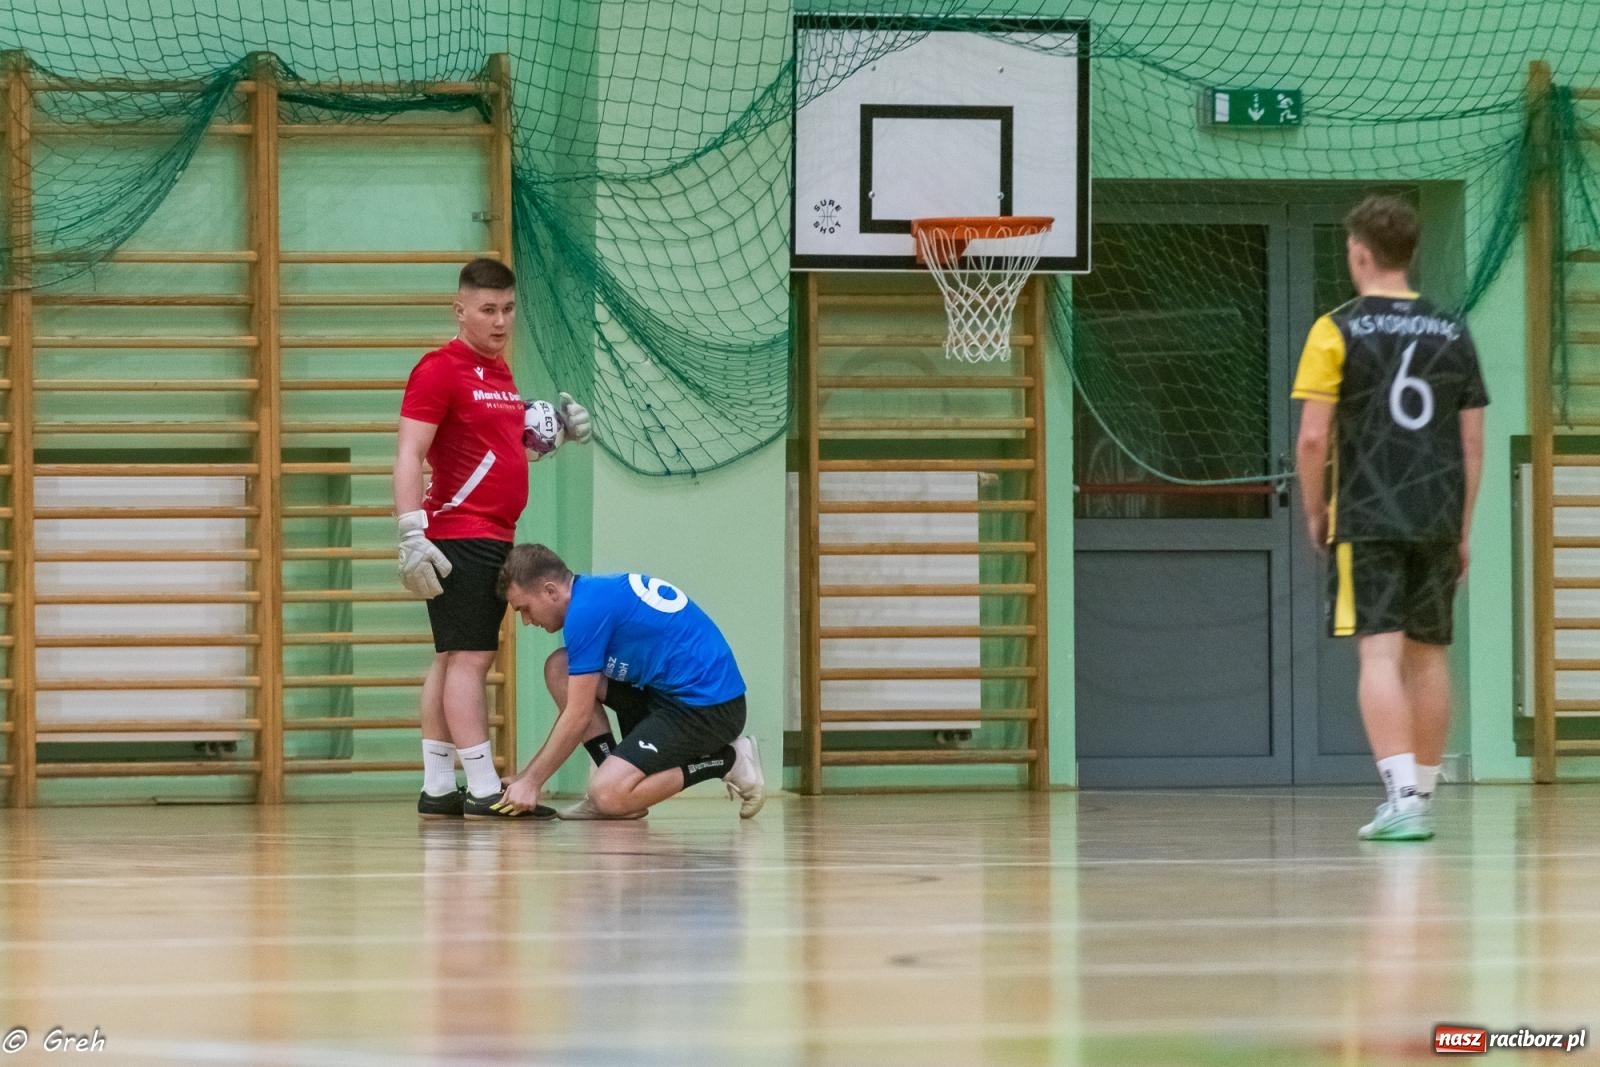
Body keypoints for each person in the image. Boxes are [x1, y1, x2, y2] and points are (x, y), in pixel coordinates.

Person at [1292, 194, 1488, 842]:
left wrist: (1316, 510)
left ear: (1359, 253)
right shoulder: (1455, 330)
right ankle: (1421, 799)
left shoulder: (1335, 328)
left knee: (1378, 654)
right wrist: (1462, 528)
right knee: (1430, 659)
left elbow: (1314, 438)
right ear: (1410, 253)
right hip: (1435, 513)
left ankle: (1400, 797)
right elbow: (1472, 444)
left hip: (1370, 513)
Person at [395, 258, 593, 820]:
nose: (501, 321)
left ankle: (439, 785)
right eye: (488, 310)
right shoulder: (440, 369)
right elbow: (410, 453)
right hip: (461, 532)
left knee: (452, 657)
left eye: (508, 309)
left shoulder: (500, 375)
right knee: (471, 660)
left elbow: (498, 454)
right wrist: (410, 532)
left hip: (490, 532)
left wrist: (557, 434)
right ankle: (484, 787)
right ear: (461, 311)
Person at [489, 543, 765, 821]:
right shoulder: (590, 594)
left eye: (525, 609)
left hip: (709, 709)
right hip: (663, 695)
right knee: (559, 667)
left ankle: (728, 760)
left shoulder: (585, 612)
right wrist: (525, 776)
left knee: (608, 794)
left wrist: (532, 782)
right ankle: (612, 784)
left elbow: (578, 714)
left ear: (550, 591)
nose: (526, 620)